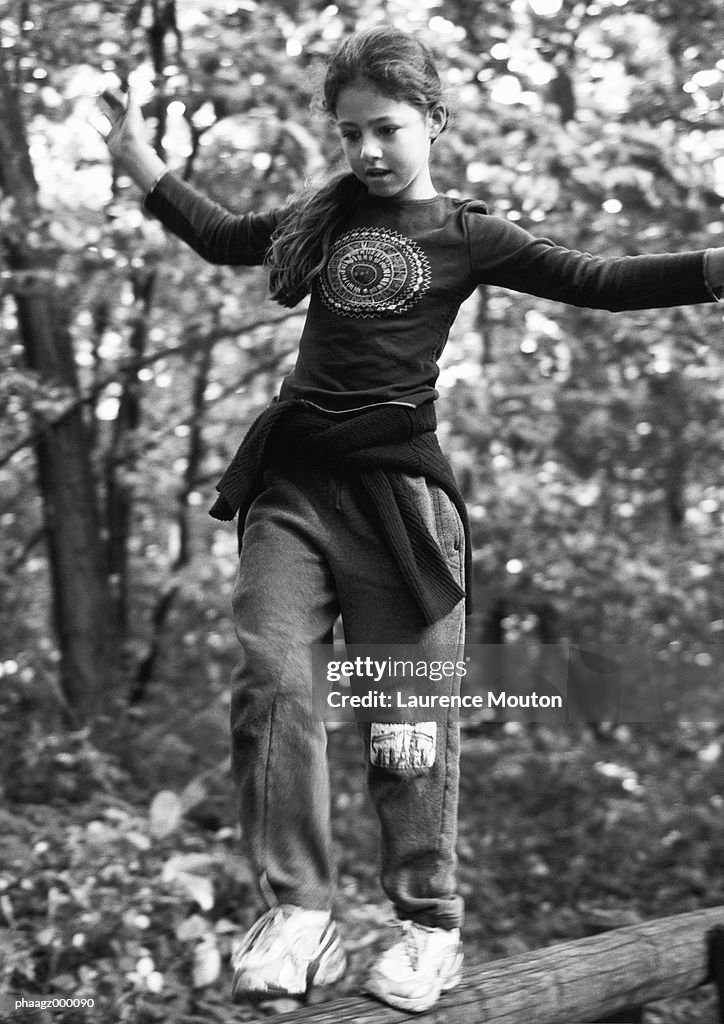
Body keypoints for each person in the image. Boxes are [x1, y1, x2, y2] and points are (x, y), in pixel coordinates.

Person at [100, 25, 724, 1014]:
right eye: (349, 134)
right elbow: (222, 236)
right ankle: (296, 909)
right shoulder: (322, 219)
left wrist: (708, 267)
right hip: (293, 490)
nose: (367, 152)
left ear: (431, 120)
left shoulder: (469, 233)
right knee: (272, 672)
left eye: (385, 129)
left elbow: (595, 281)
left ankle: (423, 922)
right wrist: (140, 162)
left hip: (400, 508)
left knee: (403, 723)